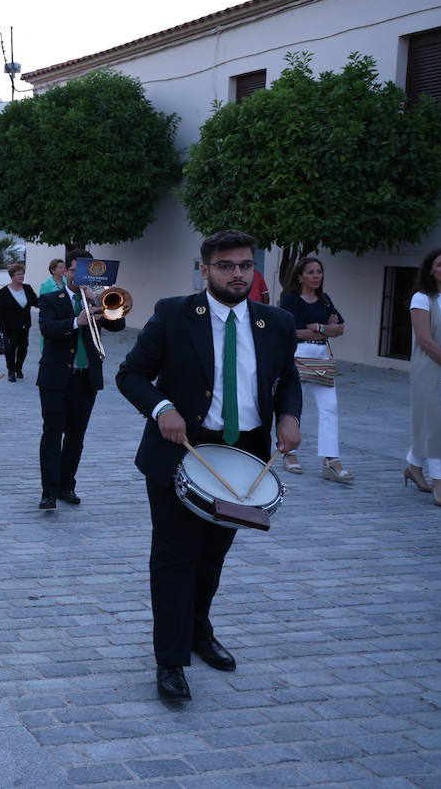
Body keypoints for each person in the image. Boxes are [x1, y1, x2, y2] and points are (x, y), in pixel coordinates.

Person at [116, 229, 301, 701]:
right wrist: (162, 410)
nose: (237, 274)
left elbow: (287, 379)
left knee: (212, 557)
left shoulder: (276, 322)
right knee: (175, 557)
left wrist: (290, 416)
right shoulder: (174, 315)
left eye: (245, 265)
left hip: (242, 461)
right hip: (181, 454)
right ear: (206, 269)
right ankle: (171, 661)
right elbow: (131, 374)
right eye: (226, 266)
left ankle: (199, 631)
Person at [36, 249, 125, 510]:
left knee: (76, 437)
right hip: (55, 379)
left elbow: (119, 325)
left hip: (85, 379)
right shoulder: (52, 298)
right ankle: (48, 491)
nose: (78, 275)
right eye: (75, 270)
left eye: (83, 271)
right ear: (66, 271)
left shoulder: (98, 300)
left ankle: (67, 486)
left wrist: (102, 303)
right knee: (52, 435)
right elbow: (46, 328)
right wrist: (77, 321)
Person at [277, 257, 351, 481]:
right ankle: (289, 453)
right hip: (297, 356)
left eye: (319, 271)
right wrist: (326, 328)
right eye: (310, 272)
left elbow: (339, 329)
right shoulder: (290, 300)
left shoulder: (325, 300)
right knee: (292, 406)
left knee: (330, 407)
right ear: (300, 276)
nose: (316, 276)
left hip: (321, 358)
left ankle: (331, 459)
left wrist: (319, 328)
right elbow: (295, 332)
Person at [406, 248, 441, 505]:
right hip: (429, 368)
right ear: (430, 269)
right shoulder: (422, 298)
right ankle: (440, 483)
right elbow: (424, 339)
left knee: (434, 424)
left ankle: (413, 465)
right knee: (436, 427)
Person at [0, 263, 38, 383]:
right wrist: (1, 326)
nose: (21, 276)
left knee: (23, 348)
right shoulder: (4, 291)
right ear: (12, 276)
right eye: (18, 274)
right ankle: (11, 371)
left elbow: (36, 302)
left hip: (24, 325)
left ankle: (19, 369)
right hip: (9, 327)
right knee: (10, 350)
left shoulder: (27, 288)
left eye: (22, 274)